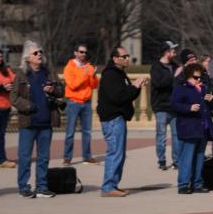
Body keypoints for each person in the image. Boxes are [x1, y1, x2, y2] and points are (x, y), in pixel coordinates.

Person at [10, 40, 64, 199]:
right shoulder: (21, 74)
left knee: (44, 157)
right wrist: (28, 106)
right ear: (27, 57)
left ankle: (41, 186)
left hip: (47, 122)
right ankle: (24, 187)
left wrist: (53, 89)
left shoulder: (49, 72)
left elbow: (62, 91)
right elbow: (13, 97)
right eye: (35, 53)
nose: (39, 55)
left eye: (40, 52)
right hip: (28, 122)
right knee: (25, 157)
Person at [97, 46, 147, 197]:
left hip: (118, 118)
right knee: (115, 152)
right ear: (115, 58)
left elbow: (127, 95)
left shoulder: (120, 74)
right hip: (112, 119)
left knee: (119, 153)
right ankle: (108, 187)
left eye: (127, 56)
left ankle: (113, 185)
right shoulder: (111, 75)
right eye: (123, 56)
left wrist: (136, 87)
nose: (127, 59)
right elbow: (118, 97)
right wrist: (134, 86)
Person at [171, 62, 213, 194]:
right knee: (187, 158)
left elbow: (210, 108)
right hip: (188, 128)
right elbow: (174, 105)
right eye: (196, 77)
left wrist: (211, 100)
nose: (199, 80)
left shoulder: (204, 88)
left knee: (200, 157)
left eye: (200, 77)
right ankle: (183, 185)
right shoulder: (181, 88)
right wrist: (188, 108)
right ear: (188, 77)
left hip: (203, 129)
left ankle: (197, 183)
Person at [62, 43, 99, 166]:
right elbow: (72, 85)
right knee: (70, 132)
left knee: (87, 132)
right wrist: (84, 74)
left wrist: (93, 76)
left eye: (85, 52)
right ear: (75, 53)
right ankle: (67, 158)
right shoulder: (69, 67)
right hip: (73, 102)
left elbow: (94, 86)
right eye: (81, 52)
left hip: (86, 103)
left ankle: (87, 156)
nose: (83, 54)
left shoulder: (88, 67)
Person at [150, 41, 181, 170]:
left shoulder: (175, 65)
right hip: (161, 107)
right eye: (173, 49)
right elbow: (159, 84)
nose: (175, 51)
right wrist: (174, 76)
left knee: (177, 136)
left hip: (174, 106)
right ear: (166, 52)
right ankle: (161, 161)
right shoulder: (156, 67)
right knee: (161, 135)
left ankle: (177, 161)